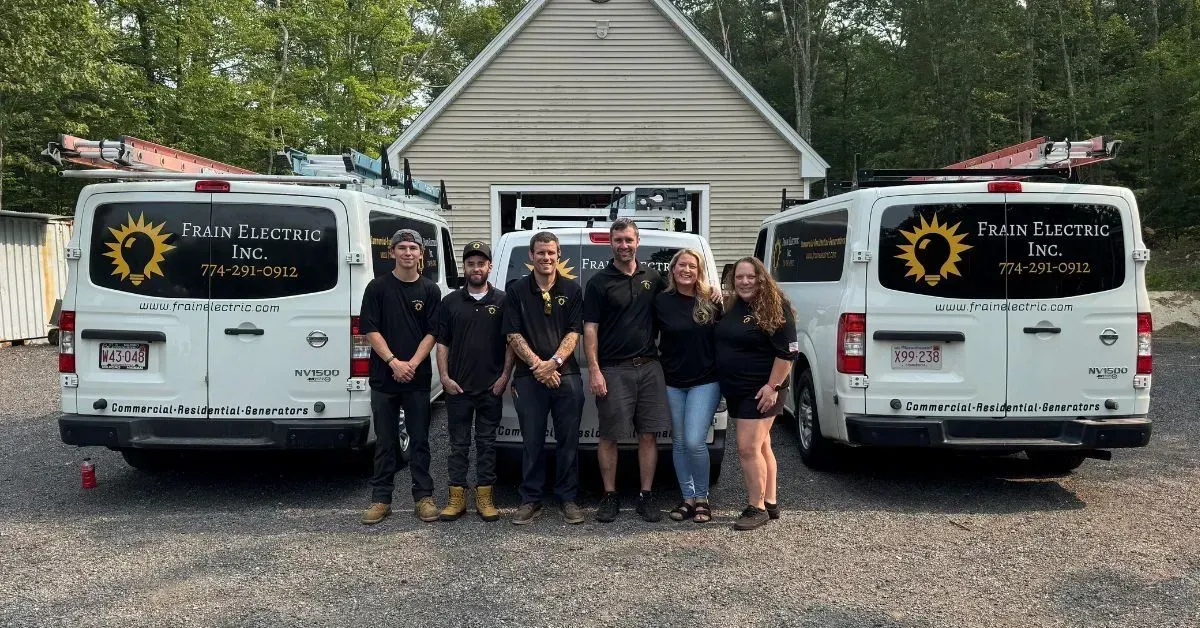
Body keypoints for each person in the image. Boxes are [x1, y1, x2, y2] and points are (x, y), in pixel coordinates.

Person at [583, 217, 670, 523]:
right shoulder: (598, 282)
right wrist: (594, 369)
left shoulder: (653, 278)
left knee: (648, 435)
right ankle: (610, 495)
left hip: (649, 367)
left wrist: (713, 296)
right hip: (613, 370)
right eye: (618, 240)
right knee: (609, 436)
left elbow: (679, 302)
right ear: (611, 243)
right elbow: (589, 329)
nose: (624, 245)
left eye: (628, 240)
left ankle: (646, 496)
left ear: (637, 242)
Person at [359, 229, 443, 525]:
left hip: (417, 379)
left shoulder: (430, 290)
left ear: (422, 254)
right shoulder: (377, 288)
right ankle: (381, 499)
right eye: (402, 248)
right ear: (392, 252)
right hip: (384, 377)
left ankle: (424, 497)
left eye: (413, 248)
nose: (408, 253)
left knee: (419, 439)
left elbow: (433, 332)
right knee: (385, 441)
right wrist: (394, 362)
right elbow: (370, 329)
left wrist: (412, 364)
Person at [501, 231, 586, 525]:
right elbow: (512, 334)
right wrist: (539, 366)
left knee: (568, 441)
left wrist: (554, 363)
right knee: (532, 441)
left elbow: (574, 332)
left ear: (558, 254)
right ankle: (531, 499)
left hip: (568, 374)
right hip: (529, 376)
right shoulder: (516, 291)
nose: (546, 258)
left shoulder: (573, 290)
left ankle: (568, 498)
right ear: (531, 256)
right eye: (540, 253)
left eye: (551, 252)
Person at [714, 256, 798, 531]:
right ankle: (770, 501)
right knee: (762, 446)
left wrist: (772, 386)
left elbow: (787, 353)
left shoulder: (775, 306)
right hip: (738, 390)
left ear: (761, 277)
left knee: (747, 448)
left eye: (751, 276)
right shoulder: (733, 305)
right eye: (739, 277)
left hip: (763, 391)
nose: (745, 281)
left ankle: (756, 507)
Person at [434, 240, 514, 523]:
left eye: (481, 263)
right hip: (458, 389)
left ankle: (484, 496)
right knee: (457, 445)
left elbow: (510, 344)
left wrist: (504, 377)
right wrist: (444, 378)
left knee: (487, 444)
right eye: (471, 264)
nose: (476, 268)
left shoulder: (504, 301)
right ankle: (456, 498)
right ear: (465, 268)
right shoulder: (450, 302)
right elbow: (442, 343)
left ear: (489, 266)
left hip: (491, 388)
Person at [655, 248, 722, 524]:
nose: (686, 270)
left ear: (699, 272)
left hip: (705, 380)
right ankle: (687, 498)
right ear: (672, 270)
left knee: (695, 440)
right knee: (680, 442)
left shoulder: (711, 300)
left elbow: (728, 336)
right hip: (672, 380)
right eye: (681, 265)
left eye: (692, 266)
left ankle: (703, 497)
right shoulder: (661, 301)